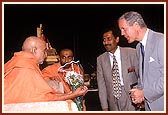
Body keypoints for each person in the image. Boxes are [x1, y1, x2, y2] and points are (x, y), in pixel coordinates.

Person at [4, 36, 88, 104]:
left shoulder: (17, 62)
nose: (46, 55)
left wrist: (68, 94)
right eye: (44, 51)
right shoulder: (25, 68)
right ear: (34, 50)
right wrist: (73, 95)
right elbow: (44, 98)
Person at [118, 11, 164, 111]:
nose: (122, 33)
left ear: (136, 25)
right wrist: (138, 91)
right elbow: (143, 76)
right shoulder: (139, 48)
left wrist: (144, 93)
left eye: (124, 29)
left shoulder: (161, 41)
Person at [96, 27, 139, 111]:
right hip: (113, 100)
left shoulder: (132, 53)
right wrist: (104, 107)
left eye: (109, 39)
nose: (106, 42)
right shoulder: (100, 59)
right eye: (104, 40)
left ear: (117, 39)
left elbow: (141, 76)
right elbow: (101, 85)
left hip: (131, 96)